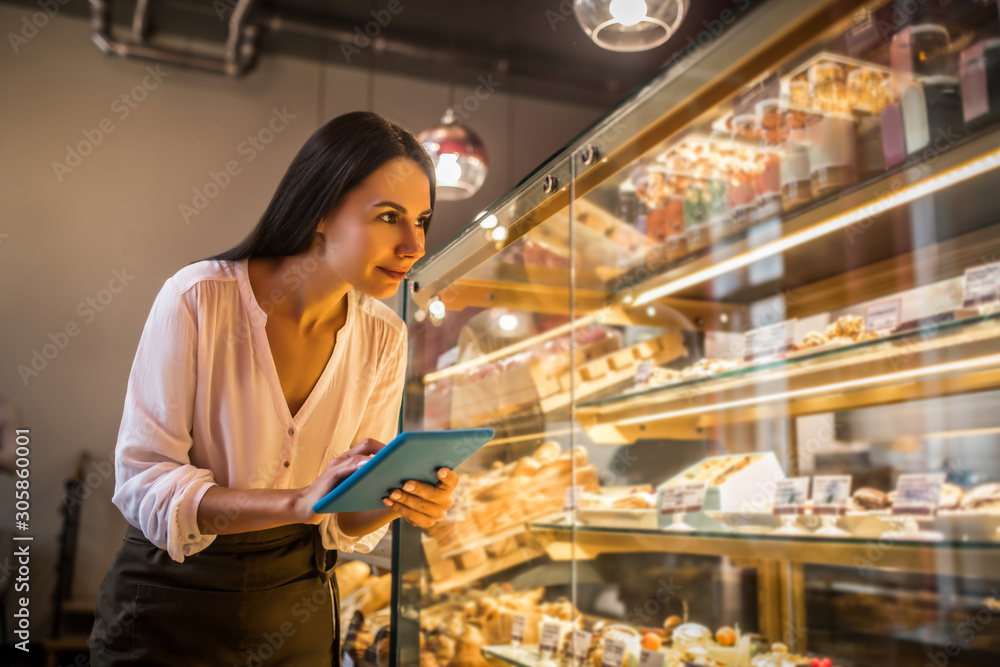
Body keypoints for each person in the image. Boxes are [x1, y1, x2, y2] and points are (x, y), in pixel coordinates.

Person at [90, 111, 457, 666]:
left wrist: (397, 499)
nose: (415, 245)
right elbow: (144, 482)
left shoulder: (385, 336)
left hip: (297, 610)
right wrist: (297, 501)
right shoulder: (197, 299)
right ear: (320, 212)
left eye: (422, 220)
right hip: (170, 606)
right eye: (389, 217)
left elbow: (343, 519)